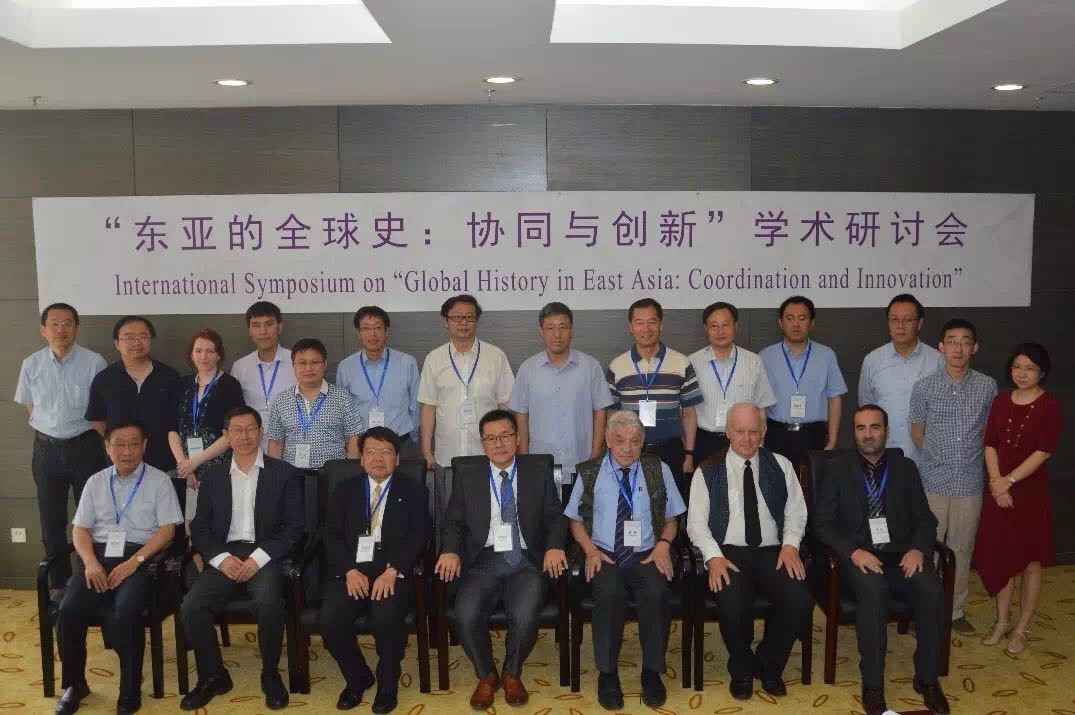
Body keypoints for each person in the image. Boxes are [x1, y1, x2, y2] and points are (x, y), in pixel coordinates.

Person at [812, 404, 950, 715]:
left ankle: (927, 679)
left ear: (886, 431)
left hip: (902, 555)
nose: (868, 434)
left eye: (875, 427)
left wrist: (918, 549)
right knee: (873, 591)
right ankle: (873, 684)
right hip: (859, 557)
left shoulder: (905, 469)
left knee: (931, 590)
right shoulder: (836, 469)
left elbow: (925, 519)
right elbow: (822, 524)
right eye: (861, 428)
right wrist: (852, 552)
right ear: (854, 433)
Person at [433, 410, 567, 710]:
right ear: (482, 444)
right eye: (491, 438)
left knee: (525, 614)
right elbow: (453, 521)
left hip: (526, 559)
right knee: (465, 614)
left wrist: (554, 546)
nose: (499, 444)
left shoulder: (537, 471)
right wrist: (450, 550)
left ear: (518, 439)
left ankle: (511, 672)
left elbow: (555, 517)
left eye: (506, 436)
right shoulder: (468, 475)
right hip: (483, 560)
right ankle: (487, 675)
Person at [180, 406, 304, 711]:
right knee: (192, 606)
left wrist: (258, 558)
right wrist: (221, 558)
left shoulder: (284, 473)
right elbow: (200, 527)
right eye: (236, 429)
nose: (244, 436)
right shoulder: (213, 475)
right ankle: (213, 675)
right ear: (226, 435)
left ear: (261, 432)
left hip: (265, 554)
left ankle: (270, 673)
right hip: (226, 554)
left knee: (269, 603)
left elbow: (294, 527)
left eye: (250, 429)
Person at [55, 419, 183, 715]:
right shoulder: (95, 481)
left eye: (134, 444)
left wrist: (133, 563)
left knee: (126, 611)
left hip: (141, 557)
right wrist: (89, 562)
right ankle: (74, 684)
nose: (127, 452)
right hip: (98, 557)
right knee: (69, 609)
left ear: (145, 446)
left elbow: (167, 531)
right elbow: (80, 529)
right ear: (107, 447)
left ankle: (129, 690)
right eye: (120, 445)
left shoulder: (158, 481)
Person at [686, 403, 810, 701]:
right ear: (727, 432)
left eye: (754, 431)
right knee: (732, 603)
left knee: (801, 600)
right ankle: (741, 668)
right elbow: (696, 524)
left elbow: (796, 512)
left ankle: (768, 663)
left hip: (773, 550)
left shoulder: (781, 465)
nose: (747, 438)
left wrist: (791, 544)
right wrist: (713, 556)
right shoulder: (708, 469)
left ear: (764, 432)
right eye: (739, 431)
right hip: (728, 552)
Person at [565, 410, 687, 710]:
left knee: (656, 593)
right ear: (608, 441)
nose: (627, 448)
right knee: (608, 595)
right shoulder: (590, 472)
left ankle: (651, 672)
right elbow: (575, 520)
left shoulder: (658, 469)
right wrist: (589, 550)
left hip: (647, 553)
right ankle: (607, 675)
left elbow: (672, 519)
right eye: (619, 441)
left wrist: (663, 545)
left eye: (634, 441)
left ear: (643, 441)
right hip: (604, 554)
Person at [319, 427, 431, 713]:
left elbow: (420, 535)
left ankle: (387, 685)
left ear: (397, 458)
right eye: (371, 452)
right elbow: (331, 534)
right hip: (352, 568)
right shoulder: (345, 490)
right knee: (330, 620)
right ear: (361, 458)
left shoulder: (414, 491)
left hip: (391, 569)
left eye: (386, 452)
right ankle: (358, 677)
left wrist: (394, 569)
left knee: (386, 618)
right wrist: (349, 570)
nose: (378, 458)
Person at [909, 318, 997, 634]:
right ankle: (924, 608)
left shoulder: (987, 386)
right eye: (952, 341)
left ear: (975, 347)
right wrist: (939, 456)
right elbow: (917, 431)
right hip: (933, 480)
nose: (958, 348)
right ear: (941, 347)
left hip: (969, 482)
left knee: (962, 548)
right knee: (927, 547)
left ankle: (954, 610)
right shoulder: (924, 387)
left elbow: (988, 432)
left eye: (965, 341)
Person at [14, 302, 109, 589]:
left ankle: (88, 583)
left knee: (92, 518)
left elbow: (101, 409)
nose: (61, 329)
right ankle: (60, 588)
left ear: (76, 328)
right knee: (51, 521)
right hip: (47, 451)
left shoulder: (94, 362)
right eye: (54, 323)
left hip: (86, 447)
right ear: (43, 330)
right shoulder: (31, 364)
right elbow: (31, 406)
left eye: (67, 323)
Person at [975, 343, 1062, 654]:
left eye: (1030, 369)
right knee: (1001, 554)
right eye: (1017, 367)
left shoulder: (1049, 405)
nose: (1022, 374)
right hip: (998, 487)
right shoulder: (1000, 401)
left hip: (1029, 492)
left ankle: (1022, 628)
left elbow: (1043, 452)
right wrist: (996, 483)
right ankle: (1001, 621)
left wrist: (1008, 482)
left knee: (1030, 561)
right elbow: (990, 444)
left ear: (1042, 372)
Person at [509, 302, 614, 481]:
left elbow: (600, 412)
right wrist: (525, 459)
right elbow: (521, 415)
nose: (557, 334)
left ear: (571, 331)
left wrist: (594, 458)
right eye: (550, 328)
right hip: (539, 465)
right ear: (541, 331)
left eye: (563, 327)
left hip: (581, 463)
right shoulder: (528, 369)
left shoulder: (590, 366)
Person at [607, 298, 701, 490]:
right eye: (639, 323)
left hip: (670, 450)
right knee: (633, 503)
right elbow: (612, 415)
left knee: (672, 504)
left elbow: (689, 413)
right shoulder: (617, 366)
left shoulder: (681, 363)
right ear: (630, 327)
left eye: (652, 322)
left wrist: (689, 454)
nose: (646, 329)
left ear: (661, 325)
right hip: (630, 451)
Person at [419, 294, 514, 470]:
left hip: (489, 455)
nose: (464, 323)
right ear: (446, 321)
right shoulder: (434, 359)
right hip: (447, 455)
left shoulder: (496, 356)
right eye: (457, 317)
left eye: (469, 317)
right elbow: (429, 408)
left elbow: (505, 404)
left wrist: (509, 447)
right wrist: (426, 450)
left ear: (477, 320)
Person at [85, 316, 181, 475]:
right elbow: (96, 419)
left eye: (143, 336)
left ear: (151, 341)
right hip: (121, 465)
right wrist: (121, 442)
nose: (137, 342)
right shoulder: (104, 379)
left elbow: (178, 420)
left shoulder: (170, 376)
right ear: (117, 343)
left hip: (164, 463)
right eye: (129, 337)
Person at [759, 296, 847, 467]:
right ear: (780, 323)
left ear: (812, 323)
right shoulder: (765, 357)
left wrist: (832, 441)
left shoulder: (826, 355)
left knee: (812, 483)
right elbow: (759, 404)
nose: (796, 324)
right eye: (789, 318)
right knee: (778, 483)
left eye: (802, 318)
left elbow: (835, 399)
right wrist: (761, 441)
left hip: (813, 435)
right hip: (776, 434)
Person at [167, 329, 245, 518]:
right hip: (186, 471)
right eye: (198, 350)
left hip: (219, 469)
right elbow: (172, 430)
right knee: (190, 522)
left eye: (210, 351)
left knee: (218, 520)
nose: (204, 356)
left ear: (219, 355)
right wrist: (185, 467)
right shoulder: (182, 384)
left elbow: (232, 432)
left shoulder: (230, 385)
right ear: (191, 354)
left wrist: (194, 462)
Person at [858, 294, 943, 467]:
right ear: (888, 323)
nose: (900, 325)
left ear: (919, 323)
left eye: (908, 319)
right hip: (884, 456)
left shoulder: (938, 361)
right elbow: (866, 407)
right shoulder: (872, 360)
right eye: (894, 319)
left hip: (928, 458)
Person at [688, 301, 775, 466]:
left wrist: (760, 446)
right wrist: (689, 452)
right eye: (714, 326)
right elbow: (687, 412)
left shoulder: (753, 361)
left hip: (744, 442)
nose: (720, 331)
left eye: (725, 325)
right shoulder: (692, 362)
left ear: (736, 326)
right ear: (706, 329)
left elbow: (761, 408)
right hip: (705, 442)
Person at [337, 306, 421, 459]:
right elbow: (342, 411)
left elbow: (415, 406)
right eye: (366, 328)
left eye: (377, 327)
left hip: (401, 444)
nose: (372, 334)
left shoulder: (407, 363)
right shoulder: (346, 367)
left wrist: (411, 437)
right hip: (362, 447)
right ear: (358, 333)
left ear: (387, 331)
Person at [266, 338, 364, 469]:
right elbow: (276, 443)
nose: (308, 368)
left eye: (315, 362)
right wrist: (275, 475)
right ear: (293, 365)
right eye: (302, 363)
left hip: (332, 474)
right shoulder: (281, 400)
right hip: (292, 474)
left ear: (325, 363)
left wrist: (350, 473)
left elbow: (353, 438)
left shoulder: (342, 398)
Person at [230, 302, 296, 450]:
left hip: (290, 444)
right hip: (252, 446)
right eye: (256, 325)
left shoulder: (297, 362)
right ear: (249, 331)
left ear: (280, 327)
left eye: (268, 324)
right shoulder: (240, 367)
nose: (263, 331)